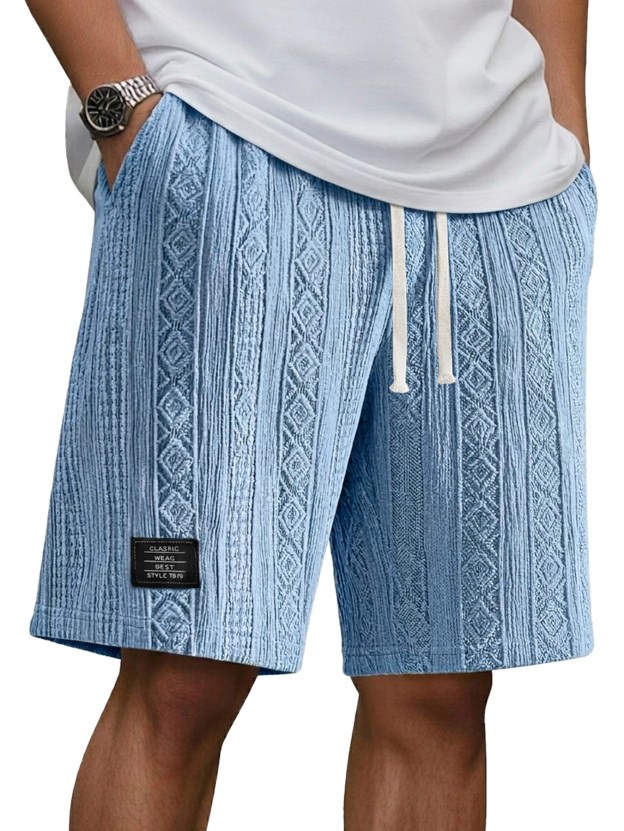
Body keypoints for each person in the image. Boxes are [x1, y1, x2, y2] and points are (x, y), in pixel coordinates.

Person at [25, 0, 597, 829]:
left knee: (441, 690)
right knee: (183, 670)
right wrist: (120, 106)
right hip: (234, 145)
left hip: (496, 193)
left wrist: (565, 125)